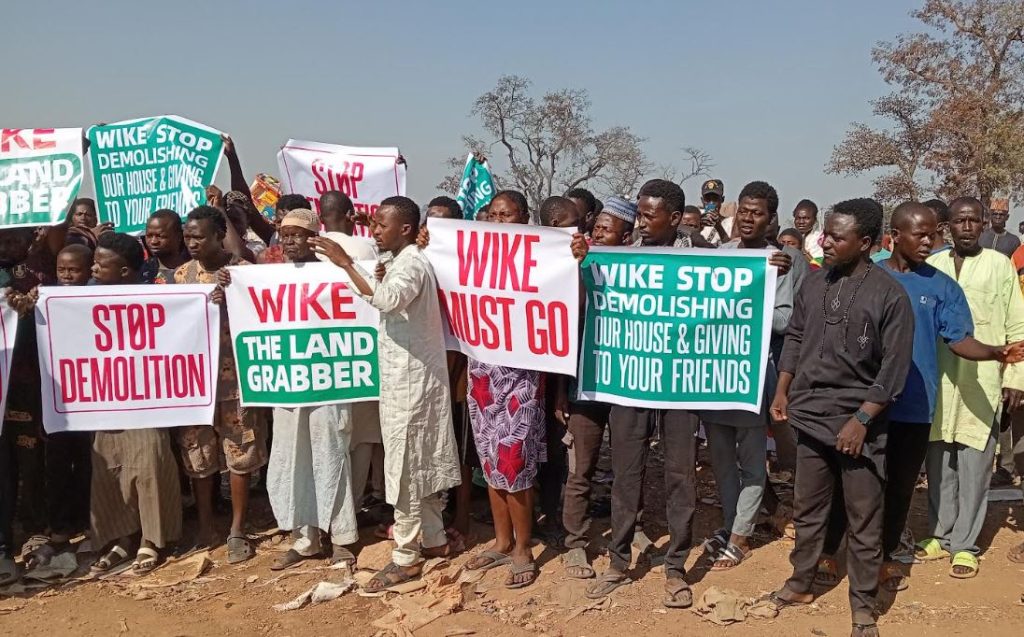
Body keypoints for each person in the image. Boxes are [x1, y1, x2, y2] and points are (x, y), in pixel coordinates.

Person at [815, 201, 1024, 592]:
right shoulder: (866, 276)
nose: (930, 242)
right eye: (921, 234)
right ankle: (829, 549)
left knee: (899, 487)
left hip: (914, 405)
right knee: (852, 482)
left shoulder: (942, 286)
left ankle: (887, 557)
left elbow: (958, 340)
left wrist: (996, 353)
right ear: (895, 236)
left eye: (933, 234)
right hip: (863, 404)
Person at [763, 198, 914, 637]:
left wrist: (862, 420)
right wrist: (783, 389)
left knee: (864, 518)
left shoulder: (890, 295)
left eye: (837, 237)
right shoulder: (813, 283)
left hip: (859, 426)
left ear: (864, 243)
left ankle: (863, 608)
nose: (825, 243)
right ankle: (800, 583)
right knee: (808, 509)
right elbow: (795, 337)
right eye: (826, 234)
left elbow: (895, 369)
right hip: (810, 415)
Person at [309, 196, 461, 591]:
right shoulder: (401, 260)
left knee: (406, 467)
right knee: (418, 462)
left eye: (381, 224)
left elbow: (388, 299)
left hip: (412, 383)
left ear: (405, 229)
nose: (374, 230)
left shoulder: (412, 264)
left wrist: (345, 262)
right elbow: (383, 289)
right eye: (373, 224)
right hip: (407, 380)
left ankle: (406, 557)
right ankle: (435, 539)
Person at [223, 208, 360, 570]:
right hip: (287, 385)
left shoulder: (335, 273)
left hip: (329, 385)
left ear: (314, 238)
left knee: (331, 455)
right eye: (284, 235)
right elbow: (245, 300)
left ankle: (342, 537)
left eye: (297, 235)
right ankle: (305, 539)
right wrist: (229, 286)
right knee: (291, 458)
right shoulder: (270, 277)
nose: (289, 242)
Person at [444, 190, 548, 589]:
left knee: (514, 461)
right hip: (482, 376)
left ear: (524, 218)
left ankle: (523, 546)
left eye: (508, 215)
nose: (499, 221)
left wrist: (571, 260)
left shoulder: (537, 260)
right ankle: (503, 541)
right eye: (494, 215)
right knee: (489, 462)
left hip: (519, 377)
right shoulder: (475, 260)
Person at [916, 197, 1024, 579]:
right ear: (947, 226)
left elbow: (1017, 323)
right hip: (939, 380)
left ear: (983, 224)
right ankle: (939, 534)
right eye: (959, 221)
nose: (966, 227)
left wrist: (1015, 377)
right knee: (939, 461)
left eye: (973, 221)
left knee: (976, 466)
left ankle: (964, 545)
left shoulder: (999, 265)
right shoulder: (933, 265)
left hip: (983, 380)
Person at [700, 181, 801, 571]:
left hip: (752, 376)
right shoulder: (722, 255)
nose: (747, 218)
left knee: (753, 461)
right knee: (721, 459)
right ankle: (731, 525)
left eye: (757, 213)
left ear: (771, 219)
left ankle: (741, 536)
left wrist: (748, 305)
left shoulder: (778, 261)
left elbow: (785, 319)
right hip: (715, 373)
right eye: (743, 210)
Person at [173, 206, 269, 564]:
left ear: (218, 236)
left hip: (236, 380)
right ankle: (206, 528)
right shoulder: (180, 276)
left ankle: (237, 529)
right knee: (198, 453)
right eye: (188, 237)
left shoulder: (242, 273)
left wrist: (232, 299)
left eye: (199, 236)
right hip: (195, 382)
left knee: (239, 450)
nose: (192, 243)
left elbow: (263, 315)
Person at [88, 232, 183, 575]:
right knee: (109, 467)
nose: (93, 268)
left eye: (101, 264)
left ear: (125, 271)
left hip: (147, 399)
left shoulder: (154, 297)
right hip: (106, 398)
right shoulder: (82, 301)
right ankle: (121, 539)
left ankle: (151, 539)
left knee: (149, 465)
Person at [561, 197, 638, 580]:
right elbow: (567, 315)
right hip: (586, 384)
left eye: (608, 230)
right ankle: (575, 543)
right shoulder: (579, 262)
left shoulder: (642, 268)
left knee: (628, 469)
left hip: (626, 383)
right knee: (581, 468)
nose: (598, 234)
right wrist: (577, 266)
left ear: (627, 237)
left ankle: (631, 532)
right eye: (597, 228)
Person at [20, 245, 95, 571]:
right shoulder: (44, 301)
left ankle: (92, 527)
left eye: (74, 270)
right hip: (58, 402)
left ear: (89, 271)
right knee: (58, 466)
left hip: (91, 401)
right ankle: (61, 530)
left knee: (90, 465)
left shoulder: (98, 299)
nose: (67, 276)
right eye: (62, 270)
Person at [316, 190, 386, 532]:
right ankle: (353, 506)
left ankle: (327, 512)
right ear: (350, 214)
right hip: (360, 356)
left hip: (319, 359)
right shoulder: (364, 248)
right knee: (362, 438)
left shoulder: (309, 249)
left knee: (329, 439)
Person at [0, 226, 57, 584]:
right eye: (1, 241)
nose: (6, 247)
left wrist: (33, 307)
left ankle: (35, 531)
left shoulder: (42, 272)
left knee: (31, 461)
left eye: (12, 240)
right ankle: (4, 546)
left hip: (27, 386)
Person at [257, 194, 312, 264]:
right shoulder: (268, 255)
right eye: (280, 222)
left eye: (290, 222)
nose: (284, 228)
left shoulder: (321, 255)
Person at [143, 209, 188, 283]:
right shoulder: (140, 273)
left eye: (160, 236)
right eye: (149, 236)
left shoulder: (196, 271)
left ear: (179, 236)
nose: (153, 241)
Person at [699, 178, 731, 246]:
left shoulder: (729, 223)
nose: (711, 203)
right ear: (702, 200)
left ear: (722, 200)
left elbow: (731, 248)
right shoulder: (695, 219)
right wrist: (699, 227)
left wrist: (718, 226)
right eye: (707, 199)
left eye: (715, 199)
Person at [792, 199, 823, 264]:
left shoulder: (820, 239)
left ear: (815, 220)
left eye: (806, 218)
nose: (801, 222)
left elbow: (817, 266)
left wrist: (803, 250)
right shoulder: (788, 237)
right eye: (798, 218)